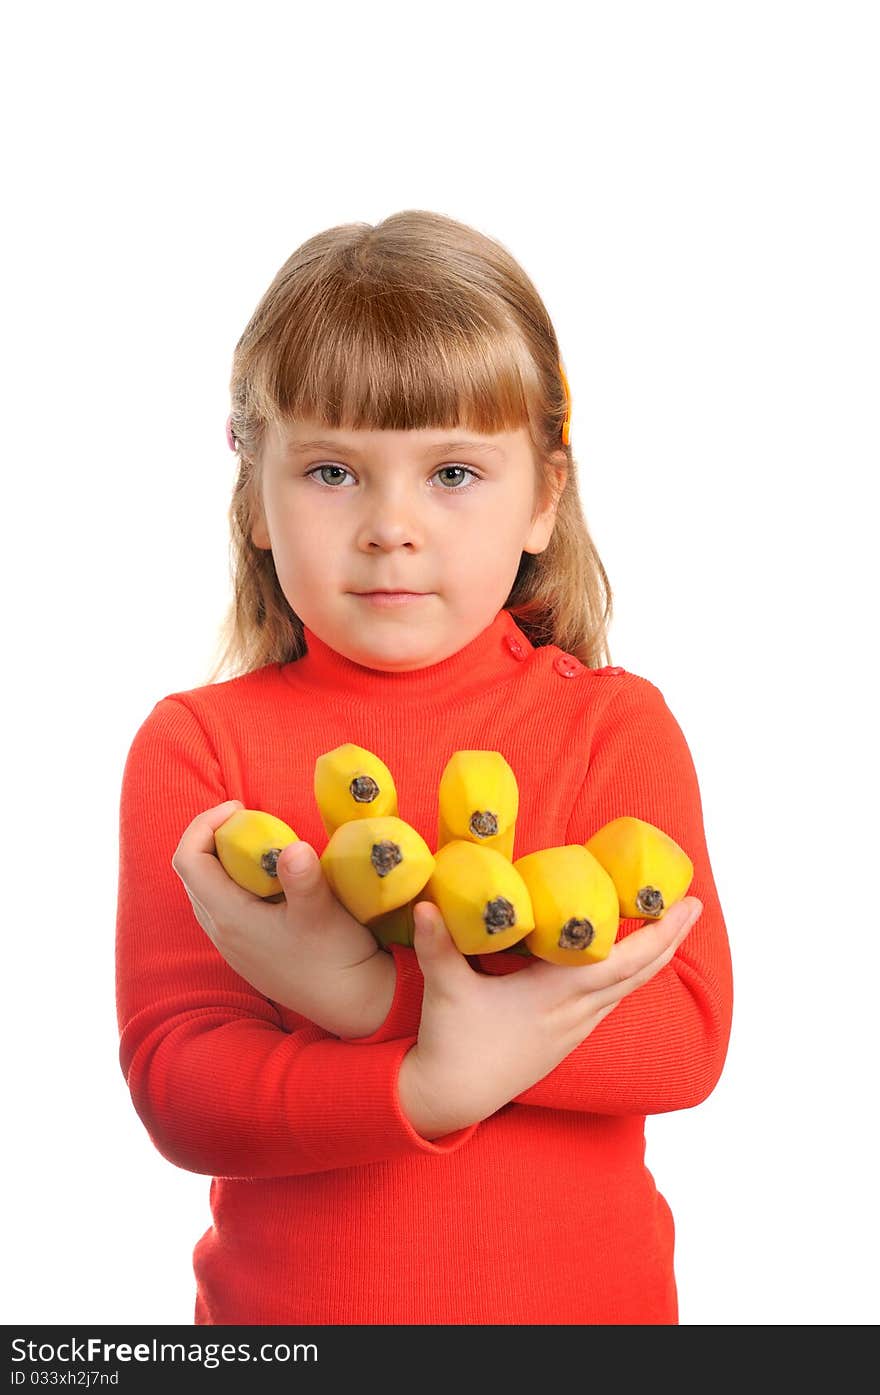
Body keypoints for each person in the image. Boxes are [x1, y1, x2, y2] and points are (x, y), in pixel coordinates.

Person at [115, 209, 733, 1327]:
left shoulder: (613, 726)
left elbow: (681, 1041)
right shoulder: (198, 747)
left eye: (451, 471)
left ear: (543, 496)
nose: (390, 527)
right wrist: (427, 1084)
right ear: (255, 493)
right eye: (333, 473)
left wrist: (366, 998)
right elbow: (182, 1087)